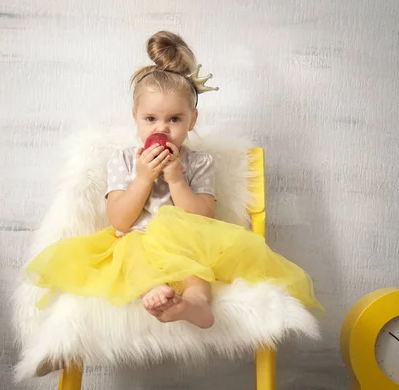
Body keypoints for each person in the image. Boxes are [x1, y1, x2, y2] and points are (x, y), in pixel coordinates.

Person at [24, 31, 323, 332]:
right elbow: (120, 221)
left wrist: (177, 180)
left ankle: (195, 303)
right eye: (151, 119)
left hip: (186, 242)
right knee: (133, 254)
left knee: (196, 267)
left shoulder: (199, 162)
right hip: (136, 238)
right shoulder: (125, 161)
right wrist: (143, 177)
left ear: (192, 120)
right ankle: (154, 290)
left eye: (175, 120)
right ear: (136, 117)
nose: (163, 129)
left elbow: (203, 217)